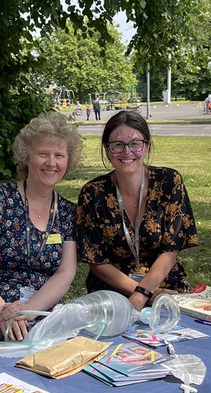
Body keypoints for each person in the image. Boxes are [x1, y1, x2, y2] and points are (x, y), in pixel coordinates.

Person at [0, 111, 81, 350]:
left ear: (68, 161)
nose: (51, 163)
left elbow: (65, 273)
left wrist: (28, 310)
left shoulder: (67, 212)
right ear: (26, 157)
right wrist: (1, 310)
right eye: (42, 154)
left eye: (59, 155)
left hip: (43, 310)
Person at [75, 110, 198, 312]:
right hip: (113, 295)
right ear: (107, 150)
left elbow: (170, 250)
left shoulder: (169, 182)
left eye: (135, 143)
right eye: (118, 145)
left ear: (147, 146)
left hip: (166, 290)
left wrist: (144, 294)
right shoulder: (93, 193)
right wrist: (144, 293)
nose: (126, 152)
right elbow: (97, 261)